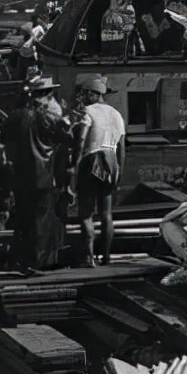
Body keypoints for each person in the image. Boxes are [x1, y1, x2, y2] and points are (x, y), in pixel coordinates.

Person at [0, 75, 74, 271]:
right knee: (42, 221)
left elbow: (3, 140)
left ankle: (19, 259)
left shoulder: (16, 116)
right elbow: (67, 141)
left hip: (21, 176)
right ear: (47, 95)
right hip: (44, 176)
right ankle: (38, 261)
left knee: (22, 217)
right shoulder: (50, 118)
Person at [73, 75, 126, 266]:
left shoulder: (88, 112)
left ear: (92, 94)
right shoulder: (116, 115)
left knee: (86, 213)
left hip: (91, 159)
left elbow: (80, 141)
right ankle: (107, 256)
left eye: (85, 93)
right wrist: (118, 173)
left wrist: (75, 164)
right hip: (111, 161)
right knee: (106, 213)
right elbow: (121, 149)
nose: (83, 97)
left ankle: (89, 257)